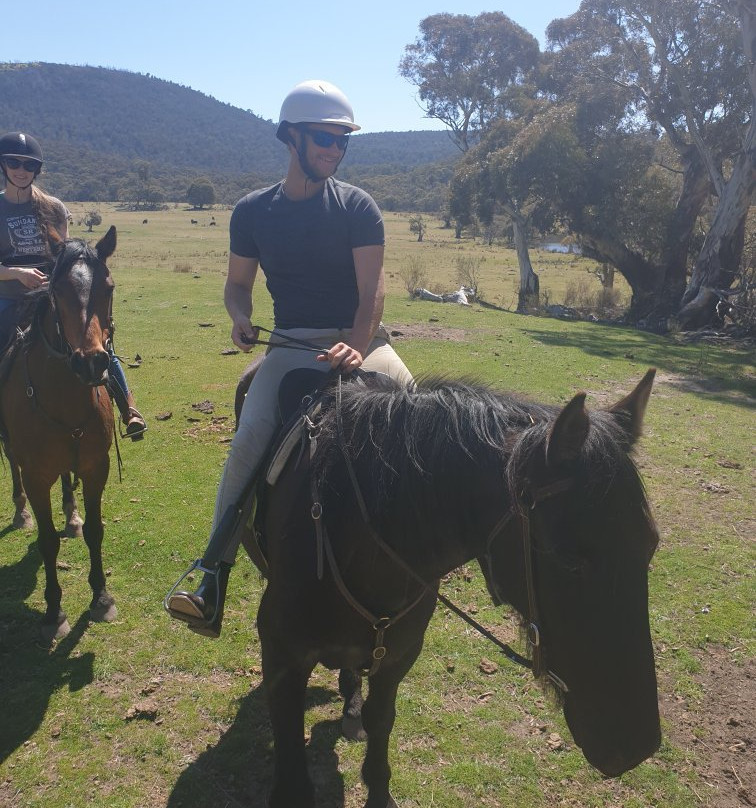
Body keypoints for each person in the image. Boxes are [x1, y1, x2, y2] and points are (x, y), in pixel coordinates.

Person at [166, 79, 414, 637]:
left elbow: (372, 289)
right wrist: (238, 315)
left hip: (364, 340)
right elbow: (236, 285)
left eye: (342, 142)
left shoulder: (357, 206)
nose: (333, 150)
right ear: (291, 137)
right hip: (290, 343)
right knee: (249, 441)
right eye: (324, 139)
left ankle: (424, 551)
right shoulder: (254, 212)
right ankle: (211, 571)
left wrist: (357, 339)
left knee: (416, 411)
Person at [0, 131, 147, 440]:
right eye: (13, 162)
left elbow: (64, 254)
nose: (21, 170)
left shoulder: (53, 208)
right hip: (10, 295)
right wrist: (17, 273)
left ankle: (128, 408)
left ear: (36, 170)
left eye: (29, 165)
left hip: (52, 295)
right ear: (3, 165)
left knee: (94, 338)